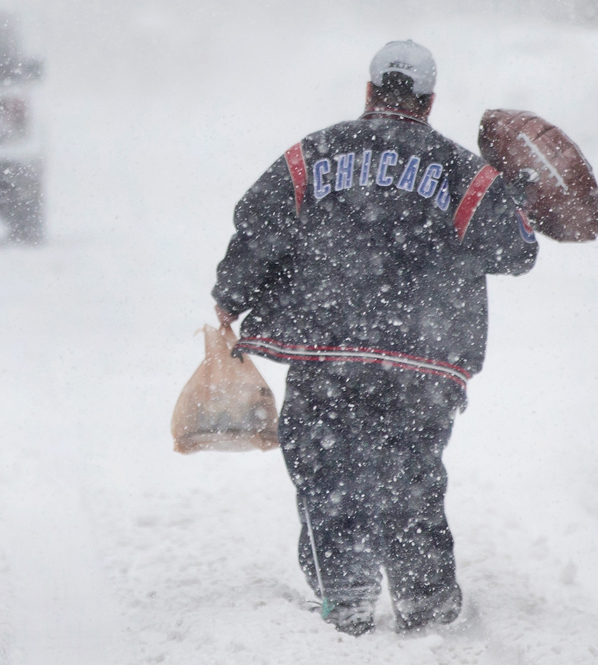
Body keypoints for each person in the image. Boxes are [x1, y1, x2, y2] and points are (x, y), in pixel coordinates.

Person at [211, 40, 538, 636]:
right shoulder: (464, 172)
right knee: (410, 469)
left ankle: (346, 586)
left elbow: (260, 222)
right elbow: (516, 253)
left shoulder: (313, 155)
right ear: (430, 100)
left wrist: (231, 294)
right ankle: (425, 595)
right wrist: (513, 194)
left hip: (327, 349)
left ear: (368, 91)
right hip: (423, 358)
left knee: (324, 468)